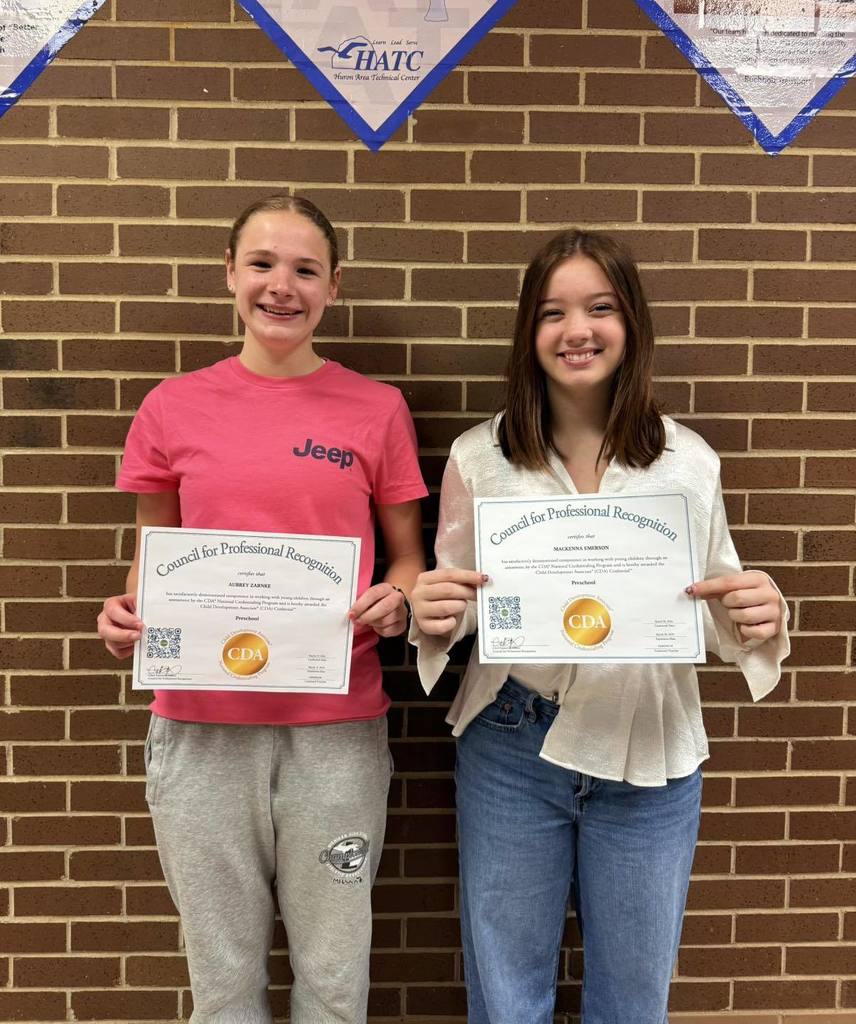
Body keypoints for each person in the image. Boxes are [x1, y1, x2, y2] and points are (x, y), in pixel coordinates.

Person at [408, 229, 789, 1024]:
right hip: (512, 741)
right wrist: (436, 613)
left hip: (649, 744)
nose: (576, 330)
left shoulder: (689, 461)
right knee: (507, 1001)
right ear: (528, 334)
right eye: (553, 313)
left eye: (599, 308)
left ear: (632, 323)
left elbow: (714, 607)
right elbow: (463, 602)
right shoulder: (481, 457)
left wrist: (756, 614)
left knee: (633, 1003)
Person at [96, 194, 427, 1024]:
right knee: (223, 975)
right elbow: (153, 559)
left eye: (305, 269)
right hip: (201, 727)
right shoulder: (172, 407)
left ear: (334, 286)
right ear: (230, 275)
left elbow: (410, 559)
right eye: (263, 265)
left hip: (334, 728)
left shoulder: (375, 408)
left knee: (331, 972)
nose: (283, 286)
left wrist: (399, 600)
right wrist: (128, 619)